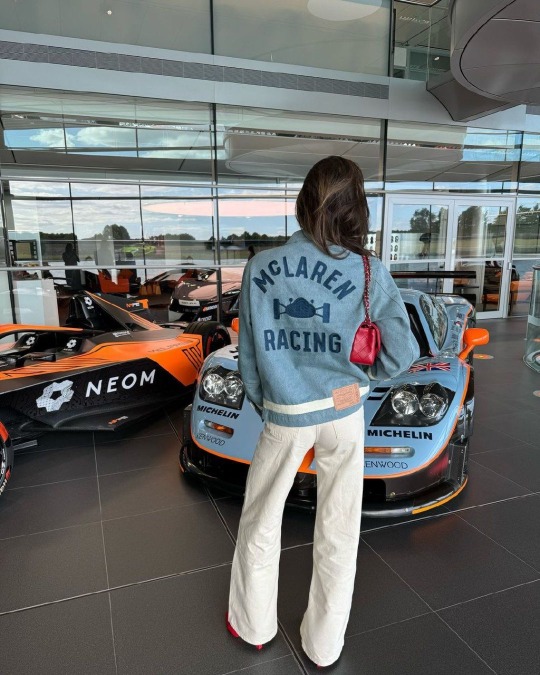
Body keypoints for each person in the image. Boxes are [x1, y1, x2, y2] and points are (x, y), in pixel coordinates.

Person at [227, 156, 419, 667]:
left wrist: (270, 402)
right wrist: (360, 385)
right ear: (357, 208)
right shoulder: (368, 270)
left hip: (285, 412)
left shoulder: (261, 267)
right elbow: (402, 353)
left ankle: (253, 626)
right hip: (344, 412)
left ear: (304, 202)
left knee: (261, 520)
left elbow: (249, 357)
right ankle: (324, 645)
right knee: (339, 528)